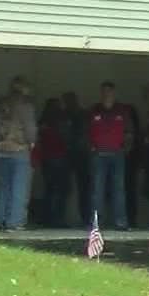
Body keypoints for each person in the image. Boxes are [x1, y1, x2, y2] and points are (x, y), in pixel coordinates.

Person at [0, 77, 37, 233]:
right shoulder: (25, 105)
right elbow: (30, 129)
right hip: (18, 149)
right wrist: (32, 142)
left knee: (4, 187)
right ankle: (15, 222)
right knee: (19, 188)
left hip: (0, 149)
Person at [87, 81, 134, 230]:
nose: (107, 94)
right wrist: (91, 148)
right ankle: (96, 223)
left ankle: (120, 222)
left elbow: (130, 133)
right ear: (101, 93)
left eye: (110, 91)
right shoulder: (94, 111)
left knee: (118, 189)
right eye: (104, 91)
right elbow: (85, 132)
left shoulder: (122, 111)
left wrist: (125, 149)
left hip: (117, 154)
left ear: (114, 93)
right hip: (98, 154)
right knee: (97, 189)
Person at [36, 98, 70, 228]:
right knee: (61, 190)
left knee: (49, 189)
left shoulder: (43, 122)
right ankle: (58, 219)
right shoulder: (61, 121)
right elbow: (66, 138)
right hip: (60, 157)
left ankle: (47, 218)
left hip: (47, 158)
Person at [62, 89, 91, 226]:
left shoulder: (78, 115)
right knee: (69, 188)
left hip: (79, 154)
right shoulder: (65, 115)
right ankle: (82, 218)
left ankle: (84, 218)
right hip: (74, 154)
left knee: (82, 188)